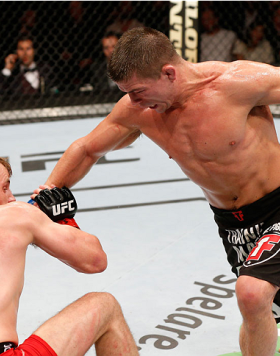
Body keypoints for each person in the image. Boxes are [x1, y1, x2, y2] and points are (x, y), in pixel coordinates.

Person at [32, 26, 280, 356]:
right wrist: (44, 196)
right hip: (234, 225)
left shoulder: (237, 84)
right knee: (259, 314)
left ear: (168, 73)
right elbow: (87, 149)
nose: (134, 101)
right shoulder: (140, 110)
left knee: (251, 293)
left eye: (138, 91)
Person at [0, 158, 138, 355]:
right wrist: (63, 218)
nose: (12, 198)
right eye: (5, 188)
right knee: (105, 306)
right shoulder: (16, 215)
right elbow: (95, 260)